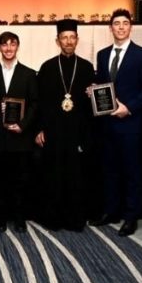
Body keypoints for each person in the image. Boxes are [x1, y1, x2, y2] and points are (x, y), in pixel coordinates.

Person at [92, 9, 142, 236]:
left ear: (131, 27)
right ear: (110, 28)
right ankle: (111, 211)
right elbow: (102, 84)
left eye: (125, 23)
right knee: (109, 170)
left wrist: (128, 108)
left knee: (131, 171)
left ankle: (131, 217)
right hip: (107, 124)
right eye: (116, 23)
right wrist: (93, 90)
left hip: (130, 123)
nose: (120, 27)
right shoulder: (102, 54)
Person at [35, 19, 95, 231]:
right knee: (54, 174)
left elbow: (91, 105)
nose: (68, 41)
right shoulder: (48, 67)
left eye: (72, 37)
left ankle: (75, 219)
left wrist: (93, 93)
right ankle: (53, 219)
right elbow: (39, 102)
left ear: (77, 40)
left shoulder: (87, 67)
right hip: (54, 130)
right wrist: (39, 128)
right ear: (57, 41)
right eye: (64, 38)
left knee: (76, 175)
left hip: (77, 130)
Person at [0, 31, 38, 233]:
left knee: (20, 180)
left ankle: (19, 218)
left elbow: (34, 104)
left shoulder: (29, 74)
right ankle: (0, 218)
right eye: (4, 44)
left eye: (12, 44)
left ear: (18, 46)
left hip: (20, 137)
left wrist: (22, 125)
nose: (8, 48)